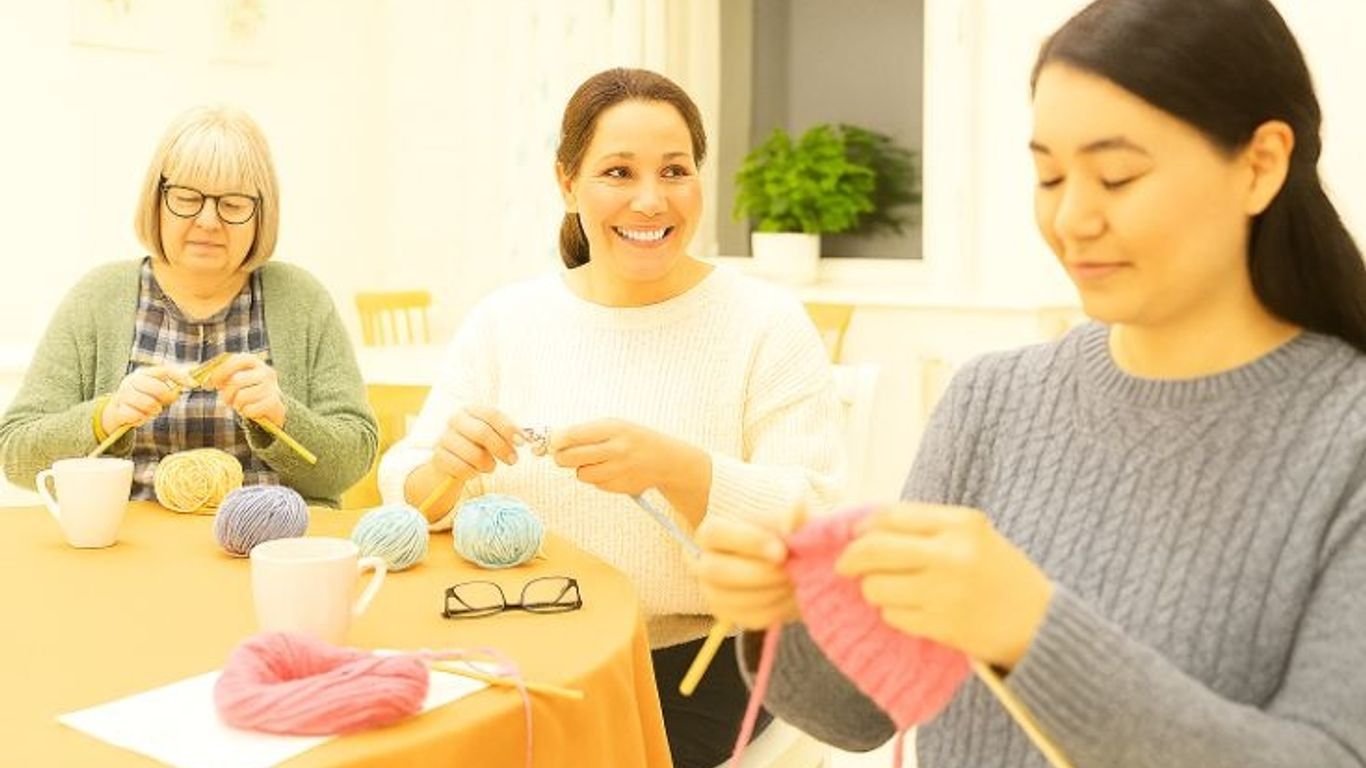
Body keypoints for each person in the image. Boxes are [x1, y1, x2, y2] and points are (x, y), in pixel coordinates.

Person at [693, 0, 1366, 766]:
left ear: (1261, 164)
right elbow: (863, 713)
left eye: (1116, 176)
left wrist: (1028, 631)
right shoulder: (991, 401)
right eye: (1049, 175)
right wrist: (790, 613)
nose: (1071, 218)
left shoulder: (1346, 442)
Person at [377, 68, 844, 768]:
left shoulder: (765, 324)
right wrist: (445, 466)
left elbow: (818, 524)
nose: (651, 200)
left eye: (675, 171)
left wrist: (680, 470)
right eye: (618, 172)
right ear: (567, 184)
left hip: (698, 660)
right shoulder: (506, 321)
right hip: (516, 646)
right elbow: (407, 491)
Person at [0, 105, 377, 508]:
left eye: (233, 205)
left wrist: (282, 417)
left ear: (260, 214)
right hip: (125, 542)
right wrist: (106, 417)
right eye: (186, 198)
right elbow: (16, 453)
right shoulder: (97, 299)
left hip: (274, 540)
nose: (209, 221)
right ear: (157, 202)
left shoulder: (302, 300)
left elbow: (354, 456)